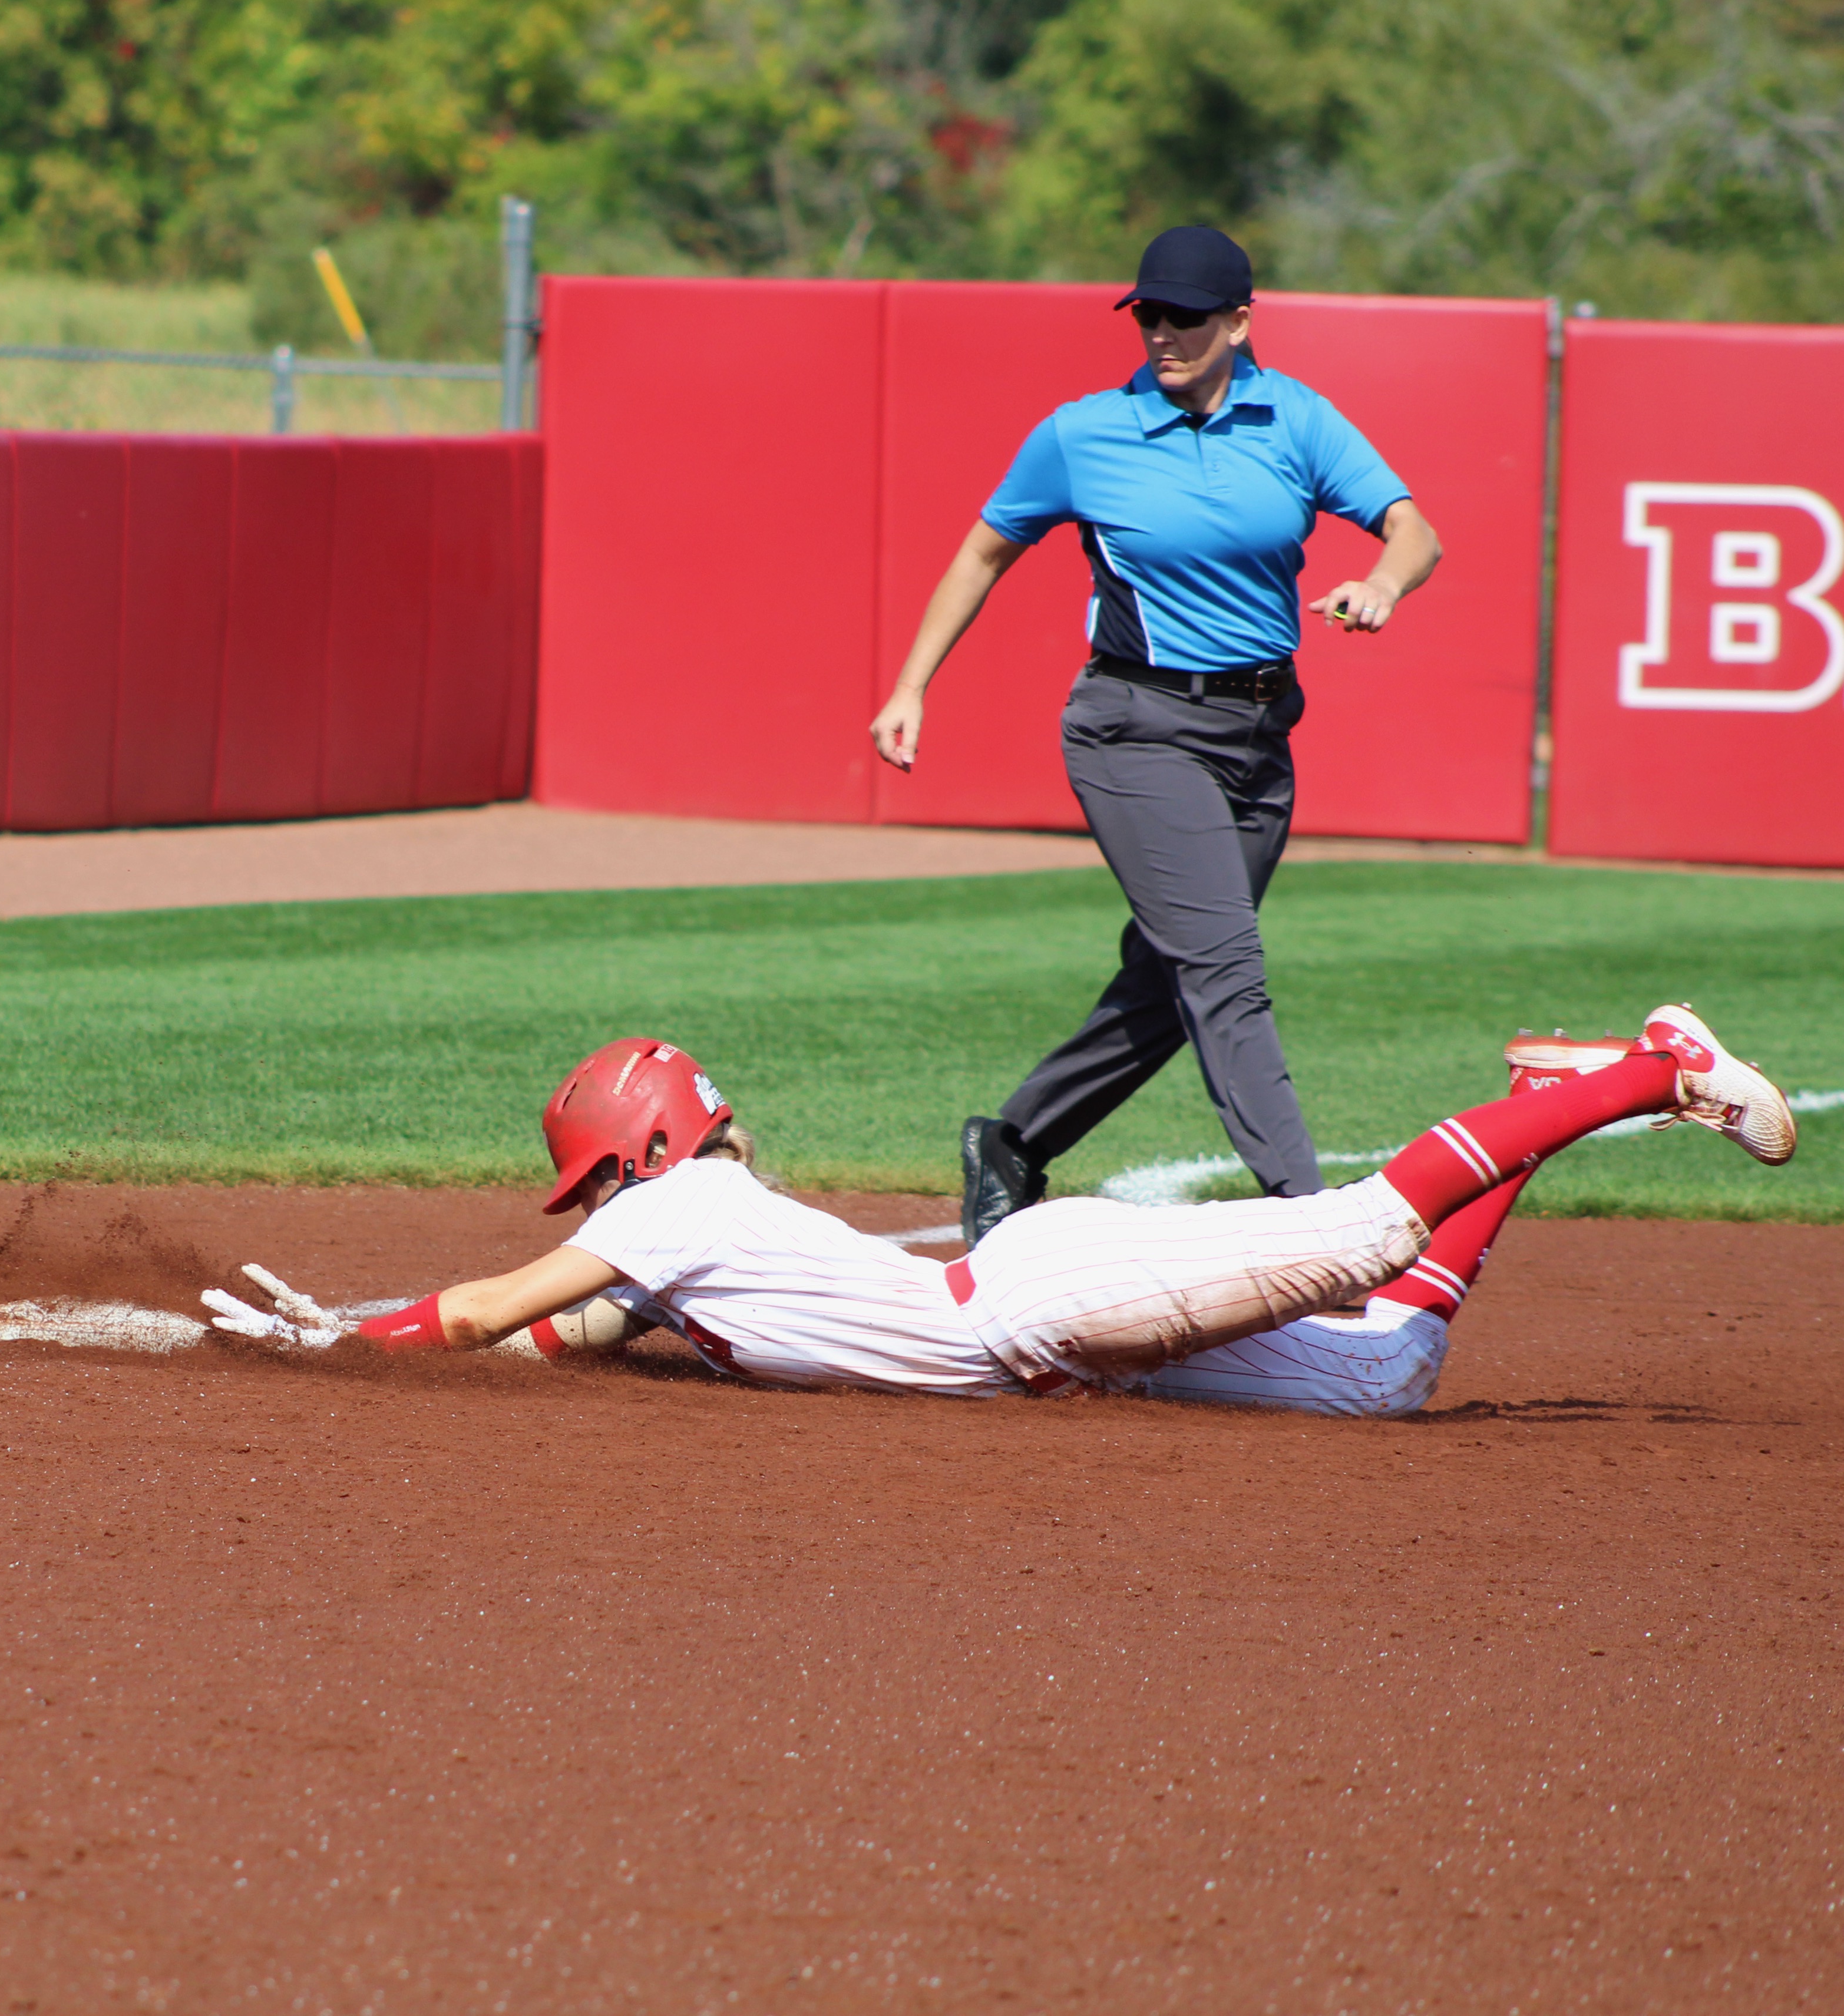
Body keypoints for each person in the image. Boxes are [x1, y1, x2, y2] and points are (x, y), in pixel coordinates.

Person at [203, 1010, 1795, 1417]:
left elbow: (489, 1311)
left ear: (646, 1147)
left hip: (1046, 1301)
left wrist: (333, 1338)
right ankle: (1544, 1087)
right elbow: (559, 1336)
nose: (600, 1201)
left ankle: (1646, 1075)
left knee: (1367, 1233)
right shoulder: (675, 1246)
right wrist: (485, 1348)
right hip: (1056, 1331)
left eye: (602, 1172)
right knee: (1379, 1374)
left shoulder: (677, 1202)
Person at [867, 225, 1444, 1244]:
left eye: (1185, 316)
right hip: (1135, 727)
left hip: (1260, 738)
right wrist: (912, 684)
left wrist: (1383, 584)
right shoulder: (1085, 433)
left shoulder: (1296, 418)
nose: (1162, 333)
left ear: (1239, 321)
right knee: (1224, 966)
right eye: (1147, 314)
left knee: (1171, 977)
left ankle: (1014, 1142)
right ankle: (1307, 1217)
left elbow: (1413, 529)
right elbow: (982, 552)